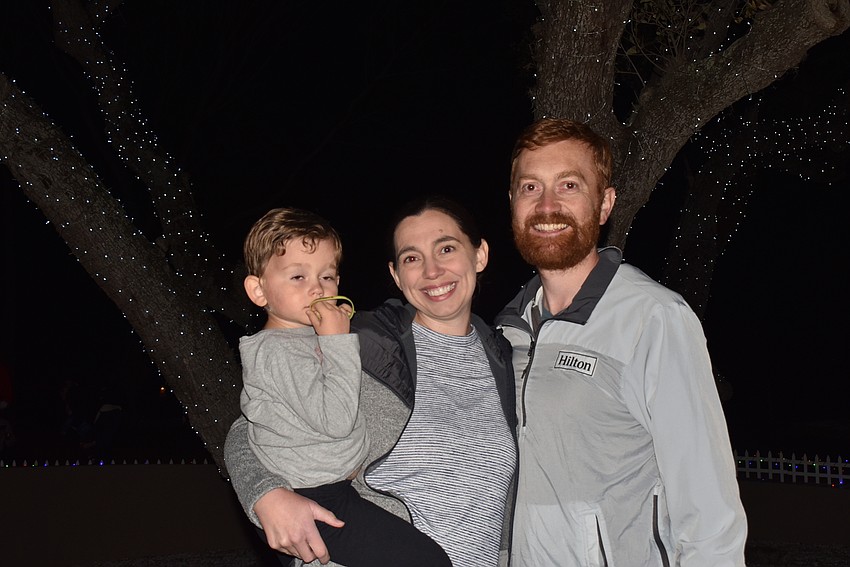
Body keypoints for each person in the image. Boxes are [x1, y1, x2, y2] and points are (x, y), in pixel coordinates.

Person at [493, 117, 748, 566]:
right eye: (530, 187)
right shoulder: (508, 332)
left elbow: (708, 506)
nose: (546, 205)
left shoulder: (653, 319)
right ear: (512, 202)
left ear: (605, 204)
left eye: (568, 185)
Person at [225, 198, 518, 567]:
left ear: (479, 255)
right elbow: (247, 428)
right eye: (412, 258)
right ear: (396, 275)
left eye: (446, 248)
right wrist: (265, 495)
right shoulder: (356, 341)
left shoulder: (509, 360)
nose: (432, 270)